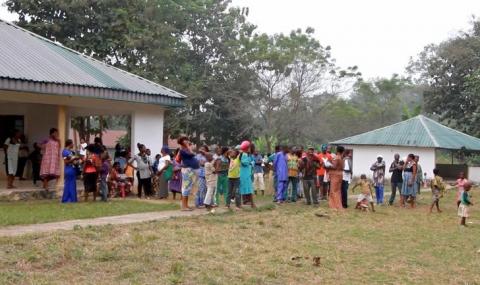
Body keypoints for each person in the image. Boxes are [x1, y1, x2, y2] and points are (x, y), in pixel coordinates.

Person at [177, 136, 199, 211]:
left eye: (187, 140)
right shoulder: (182, 150)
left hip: (190, 170)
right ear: (181, 142)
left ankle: (186, 205)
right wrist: (187, 146)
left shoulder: (186, 149)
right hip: (187, 170)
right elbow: (192, 154)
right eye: (185, 140)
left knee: (188, 187)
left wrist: (188, 146)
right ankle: (183, 206)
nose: (187, 141)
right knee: (185, 187)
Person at [239, 141, 256, 208]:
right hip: (245, 174)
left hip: (246, 173)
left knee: (246, 188)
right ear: (247, 148)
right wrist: (251, 162)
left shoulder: (245, 154)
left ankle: (243, 203)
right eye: (249, 147)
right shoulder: (244, 154)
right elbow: (245, 163)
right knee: (249, 189)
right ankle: (252, 204)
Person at [328, 146, 345, 210]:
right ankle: (339, 205)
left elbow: (334, 166)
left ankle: (334, 206)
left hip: (335, 175)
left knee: (333, 191)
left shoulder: (336, 157)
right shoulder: (342, 158)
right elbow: (343, 168)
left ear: (337, 151)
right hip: (340, 174)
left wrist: (328, 165)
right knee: (338, 191)